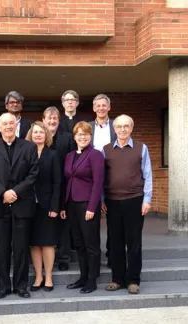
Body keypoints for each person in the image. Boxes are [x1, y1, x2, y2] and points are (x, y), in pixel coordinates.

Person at [0, 112, 39, 299]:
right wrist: (3, 193)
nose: (8, 126)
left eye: (11, 123)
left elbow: (32, 174)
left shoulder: (29, 147)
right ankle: (3, 287)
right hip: (0, 205)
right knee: (2, 249)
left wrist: (15, 192)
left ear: (17, 126)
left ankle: (21, 286)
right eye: (4, 123)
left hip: (22, 204)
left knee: (21, 249)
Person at [103, 114, 152, 295]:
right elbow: (102, 178)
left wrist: (147, 200)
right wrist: (101, 199)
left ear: (131, 128)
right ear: (114, 129)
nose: (122, 130)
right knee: (115, 242)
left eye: (126, 126)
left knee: (134, 243)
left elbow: (148, 175)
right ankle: (117, 279)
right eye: (119, 127)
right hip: (112, 202)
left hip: (135, 201)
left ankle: (133, 280)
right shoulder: (106, 150)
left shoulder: (141, 148)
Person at [61, 121, 104, 294]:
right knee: (78, 243)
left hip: (87, 204)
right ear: (75, 136)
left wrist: (92, 207)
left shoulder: (95, 155)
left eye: (85, 133)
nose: (82, 136)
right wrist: (64, 206)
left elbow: (98, 182)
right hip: (72, 204)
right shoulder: (70, 155)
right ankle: (83, 277)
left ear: (90, 136)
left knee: (91, 244)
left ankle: (92, 280)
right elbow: (67, 181)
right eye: (79, 134)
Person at [25, 121, 61, 292]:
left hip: (47, 206)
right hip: (29, 205)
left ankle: (48, 277)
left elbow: (57, 182)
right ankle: (38, 276)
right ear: (30, 135)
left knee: (47, 243)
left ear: (46, 135)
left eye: (41, 132)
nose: (38, 135)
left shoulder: (53, 155)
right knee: (34, 244)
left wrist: (55, 206)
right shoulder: (25, 153)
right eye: (35, 132)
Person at [42, 106, 76, 271]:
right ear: (43, 120)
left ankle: (63, 257)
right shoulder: (38, 137)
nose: (52, 121)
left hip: (63, 185)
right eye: (49, 118)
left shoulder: (68, 138)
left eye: (55, 118)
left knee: (63, 222)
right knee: (45, 222)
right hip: (43, 187)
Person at [88, 93, 116, 267]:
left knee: (113, 217)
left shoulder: (116, 126)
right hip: (92, 177)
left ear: (109, 108)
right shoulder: (88, 127)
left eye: (104, 105)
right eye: (97, 105)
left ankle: (112, 254)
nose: (101, 108)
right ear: (93, 108)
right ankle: (94, 255)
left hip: (113, 174)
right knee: (93, 216)